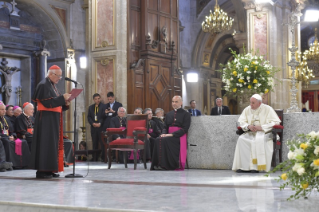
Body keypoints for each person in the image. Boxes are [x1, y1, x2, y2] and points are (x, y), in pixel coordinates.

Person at [29, 65, 72, 179]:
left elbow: (54, 102)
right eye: (58, 76)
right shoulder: (43, 85)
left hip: (53, 119)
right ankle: (43, 170)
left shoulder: (52, 85)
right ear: (51, 74)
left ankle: (51, 169)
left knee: (53, 144)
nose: (59, 79)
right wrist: (63, 98)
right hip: (46, 120)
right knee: (46, 144)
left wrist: (65, 103)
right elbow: (47, 103)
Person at [232, 94, 281, 173]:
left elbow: (276, 122)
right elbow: (241, 122)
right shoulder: (247, 109)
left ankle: (255, 167)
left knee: (256, 141)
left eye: (253, 103)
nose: (251, 105)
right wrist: (248, 126)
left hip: (265, 133)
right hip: (251, 132)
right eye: (250, 102)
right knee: (241, 139)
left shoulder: (268, 109)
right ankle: (244, 166)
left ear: (259, 103)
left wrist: (262, 127)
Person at [151, 96, 191, 170]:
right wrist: (163, 133)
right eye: (173, 101)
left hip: (179, 136)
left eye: (176, 102)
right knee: (158, 139)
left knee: (165, 140)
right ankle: (158, 164)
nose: (174, 103)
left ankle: (168, 165)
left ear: (181, 103)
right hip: (168, 135)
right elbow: (165, 127)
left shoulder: (186, 114)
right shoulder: (169, 114)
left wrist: (171, 134)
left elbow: (185, 129)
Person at [87, 93, 106, 161]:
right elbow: (89, 117)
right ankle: (95, 157)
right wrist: (92, 123)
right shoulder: (91, 107)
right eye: (96, 99)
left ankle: (104, 157)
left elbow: (104, 116)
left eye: (98, 98)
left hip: (101, 127)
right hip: (94, 127)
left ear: (100, 98)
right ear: (93, 100)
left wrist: (100, 123)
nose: (97, 100)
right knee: (94, 142)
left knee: (102, 142)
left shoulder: (104, 106)